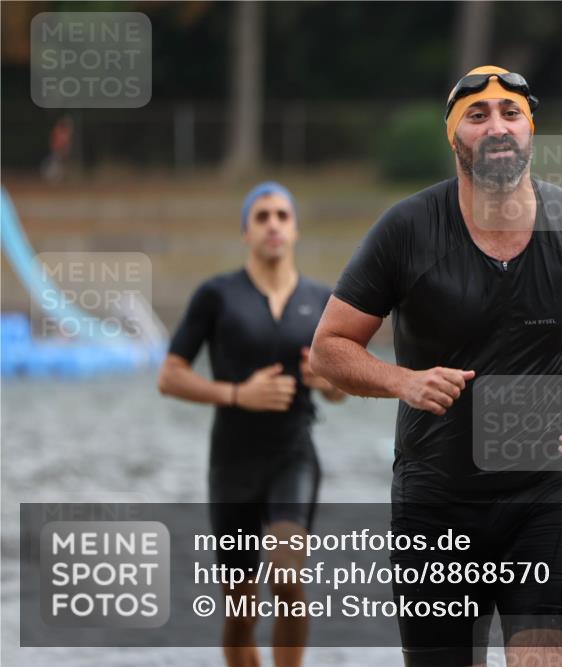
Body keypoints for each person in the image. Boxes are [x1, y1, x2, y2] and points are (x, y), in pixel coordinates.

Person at [310, 66, 562, 667]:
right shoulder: (407, 230)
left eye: (511, 114)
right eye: (478, 115)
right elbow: (330, 347)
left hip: (543, 498)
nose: (498, 127)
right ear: (454, 137)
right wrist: (403, 380)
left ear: (530, 131)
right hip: (435, 503)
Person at [157, 182, 345, 667]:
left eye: (282, 215)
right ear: (246, 231)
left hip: (293, 456)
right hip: (233, 463)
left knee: (288, 573)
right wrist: (238, 394)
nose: (273, 225)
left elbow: (340, 390)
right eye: (261, 216)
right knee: (240, 608)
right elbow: (170, 376)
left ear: (296, 228)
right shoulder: (216, 296)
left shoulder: (323, 301)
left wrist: (323, 380)